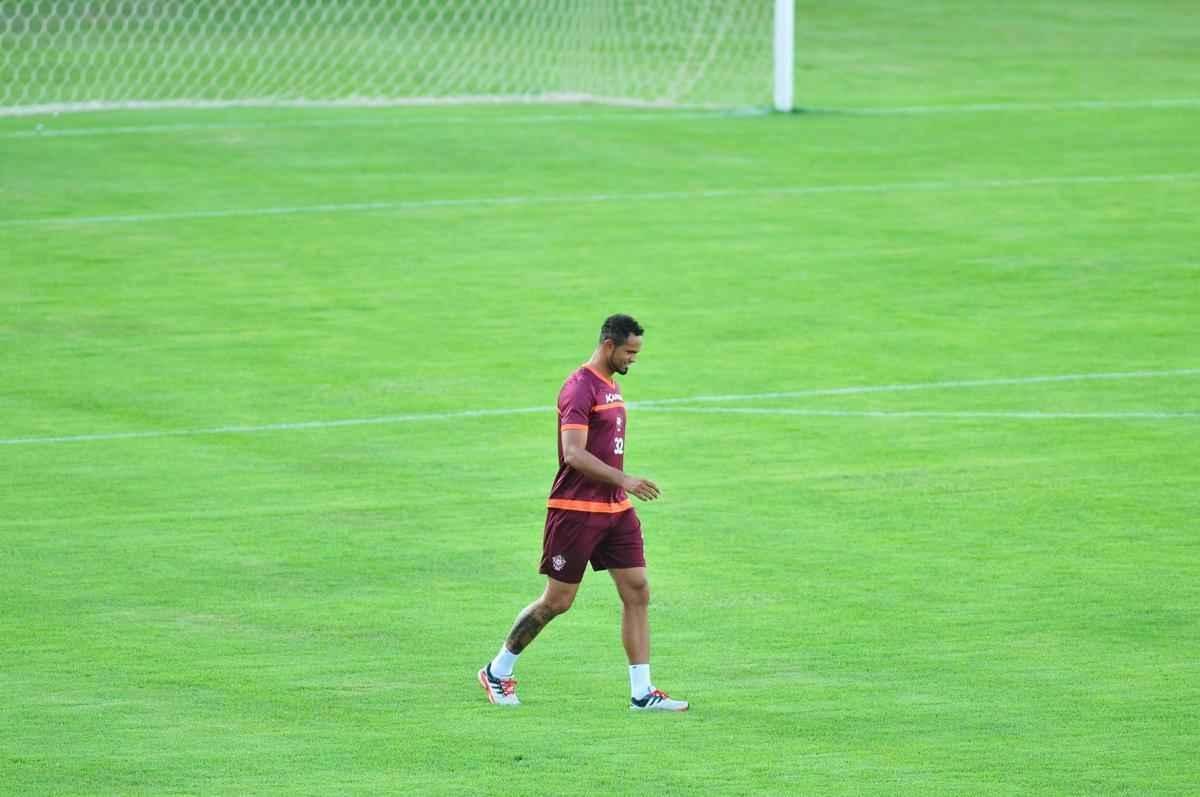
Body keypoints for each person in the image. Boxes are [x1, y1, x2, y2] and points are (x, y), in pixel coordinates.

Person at [477, 314, 688, 711]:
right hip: (575, 511)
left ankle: (642, 692)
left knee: (638, 590)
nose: (634, 358)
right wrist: (623, 479)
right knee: (557, 601)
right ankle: (497, 671)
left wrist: (619, 488)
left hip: (615, 511)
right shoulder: (579, 387)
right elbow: (573, 454)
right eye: (630, 351)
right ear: (609, 345)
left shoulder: (612, 385)